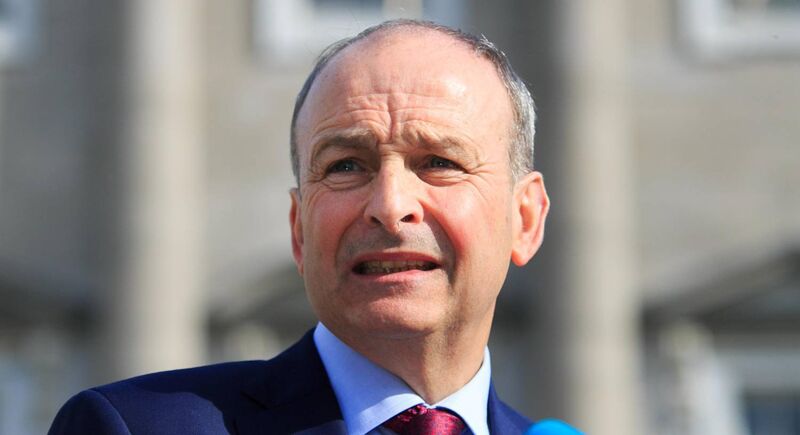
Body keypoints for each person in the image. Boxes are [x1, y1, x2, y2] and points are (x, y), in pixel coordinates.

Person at [49, 19, 575, 435]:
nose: (390, 205)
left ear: (525, 219)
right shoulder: (136, 426)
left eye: (439, 162)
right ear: (299, 229)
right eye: (346, 166)